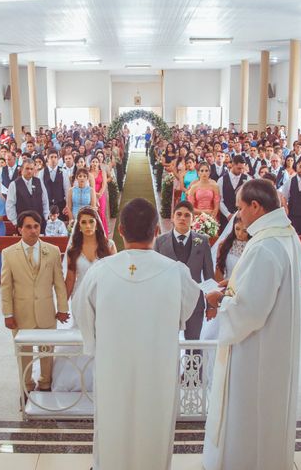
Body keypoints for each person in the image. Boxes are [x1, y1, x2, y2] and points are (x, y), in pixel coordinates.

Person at [73, 198, 200, 470]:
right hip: (158, 368)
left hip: (113, 366)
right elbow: (187, 309)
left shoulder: (99, 272)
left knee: (112, 419)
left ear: (120, 231)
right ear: (157, 230)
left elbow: (80, 310)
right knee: (154, 423)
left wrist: (92, 344)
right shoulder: (176, 273)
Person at [203, 179, 301, 470]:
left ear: (256, 207)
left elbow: (251, 312)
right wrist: (233, 284)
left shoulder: (264, 246)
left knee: (248, 415)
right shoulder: (286, 234)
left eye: (240, 207)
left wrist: (220, 301)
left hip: (256, 351)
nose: (238, 215)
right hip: (275, 344)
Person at [0, 211, 69, 392]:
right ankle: (26, 386)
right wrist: (8, 314)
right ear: (20, 229)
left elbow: (59, 284)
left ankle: (46, 383)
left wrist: (63, 308)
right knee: (24, 354)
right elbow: (6, 287)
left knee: (47, 351)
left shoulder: (52, 251)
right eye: (28, 227)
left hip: (46, 312)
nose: (33, 230)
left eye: (36, 226)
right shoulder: (8, 254)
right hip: (21, 314)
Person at [53, 206, 115, 392]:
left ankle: (103, 378)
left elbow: (114, 276)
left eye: (91, 221)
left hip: (103, 297)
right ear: (78, 227)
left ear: (97, 224)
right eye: (84, 222)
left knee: (102, 336)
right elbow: (70, 280)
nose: (88, 225)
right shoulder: (73, 251)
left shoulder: (109, 246)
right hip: (80, 298)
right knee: (82, 335)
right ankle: (76, 379)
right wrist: (62, 307)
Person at [154, 200, 213, 345]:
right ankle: (168, 369)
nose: (182, 218)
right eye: (179, 214)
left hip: (195, 304)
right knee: (167, 344)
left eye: (187, 215)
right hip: (168, 302)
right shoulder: (160, 242)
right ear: (173, 218)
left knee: (194, 345)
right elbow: (154, 274)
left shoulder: (202, 241)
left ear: (193, 219)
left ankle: (193, 369)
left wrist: (211, 305)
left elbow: (208, 275)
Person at [5, 159, 50, 234]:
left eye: (31, 169)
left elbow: (45, 200)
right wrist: (15, 222)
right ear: (22, 169)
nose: (29, 171)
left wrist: (46, 217)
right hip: (22, 224)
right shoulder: (14, 184)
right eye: (27, 168)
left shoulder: (39, 182)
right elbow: (10, 205)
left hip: (38, 222)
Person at [218, 155, 250, 229]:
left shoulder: (248, 179)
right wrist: (228, 215)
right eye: (239, 168)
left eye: (243, 168)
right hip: (226, 218)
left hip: (242, 219)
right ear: (233, 164)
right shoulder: (221, 180)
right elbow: (220, 201)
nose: (241, 171)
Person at [214, 214, 249, 282]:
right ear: (233, 227)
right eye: (237, 229)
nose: (240, 234)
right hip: (224, 286)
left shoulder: (253, 246)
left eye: (245, 231)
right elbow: (219, 270)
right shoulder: (224, 244)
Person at [39, 150, 70, 219]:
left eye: (55, 157)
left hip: (60, 204)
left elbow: (67, 189)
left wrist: (67, 205)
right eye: (51, 157)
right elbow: (40, 190)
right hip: (47, 205)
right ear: (47, 158)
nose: (53, 159)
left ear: (58, 159)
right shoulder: (42, 172)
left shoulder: (63, 172)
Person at [89, 156, 109, 237]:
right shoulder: (88, 173)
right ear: (90, 163)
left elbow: (104, 184)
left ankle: (104, 234)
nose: (94, 163)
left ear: (99, 163)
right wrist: (94, 194)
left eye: (96, 162)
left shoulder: (102, 172)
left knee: (101, 213)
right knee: (93, 213)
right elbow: (88, 185)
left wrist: (99, 194)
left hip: (101, 195)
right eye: (93, 162)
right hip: (91, 194)